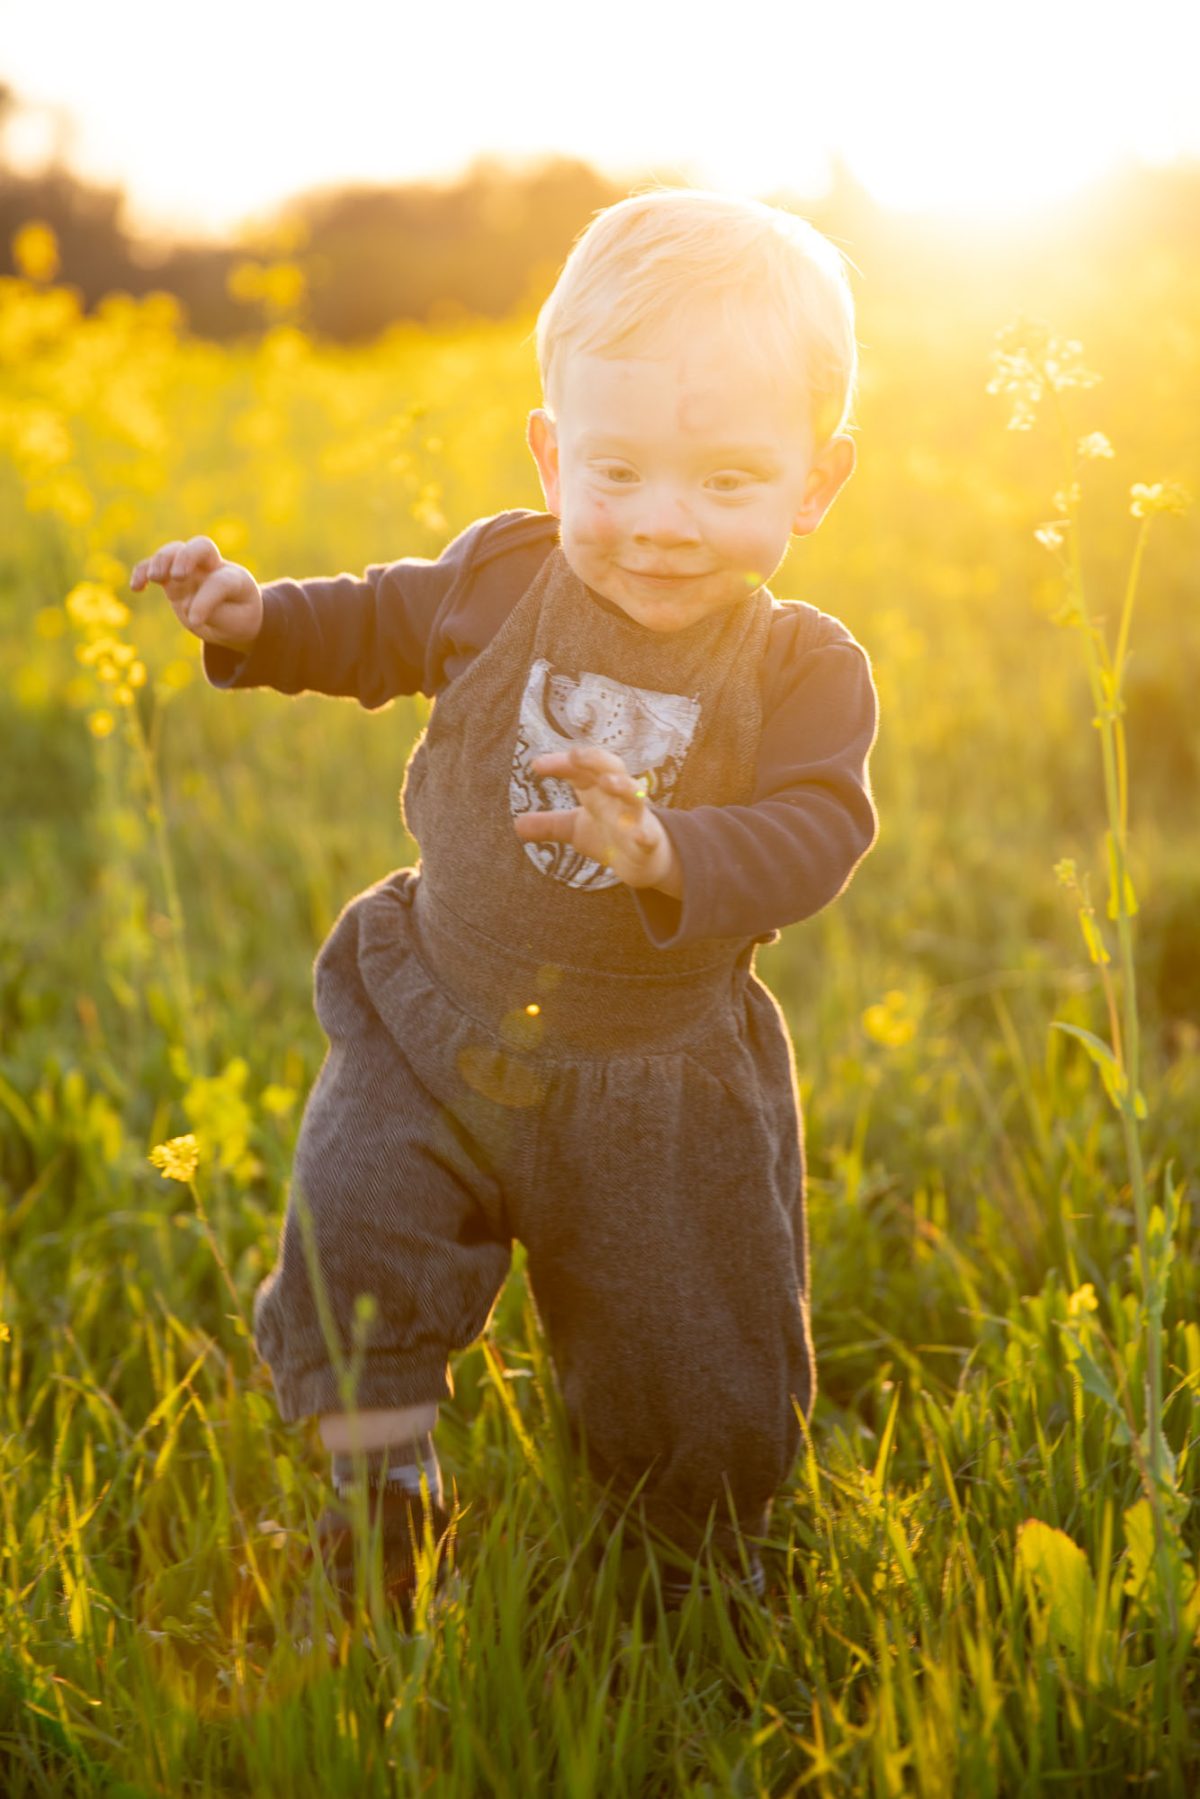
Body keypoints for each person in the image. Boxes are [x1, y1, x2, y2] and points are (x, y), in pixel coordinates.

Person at [131, 187, 880, 1618]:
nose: (661, 526)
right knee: (355, 1236)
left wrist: (673, 853)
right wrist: (255, 617)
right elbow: (374, 619)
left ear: (815, 484)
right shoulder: (497, 576)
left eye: (726, 482)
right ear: (551, 454)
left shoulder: (804, 668)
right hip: (436, 1014)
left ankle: (684, 1580)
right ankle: (384, 1521)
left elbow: (819, 828)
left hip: (658, 1079)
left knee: (691, 1371)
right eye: (619, 473)